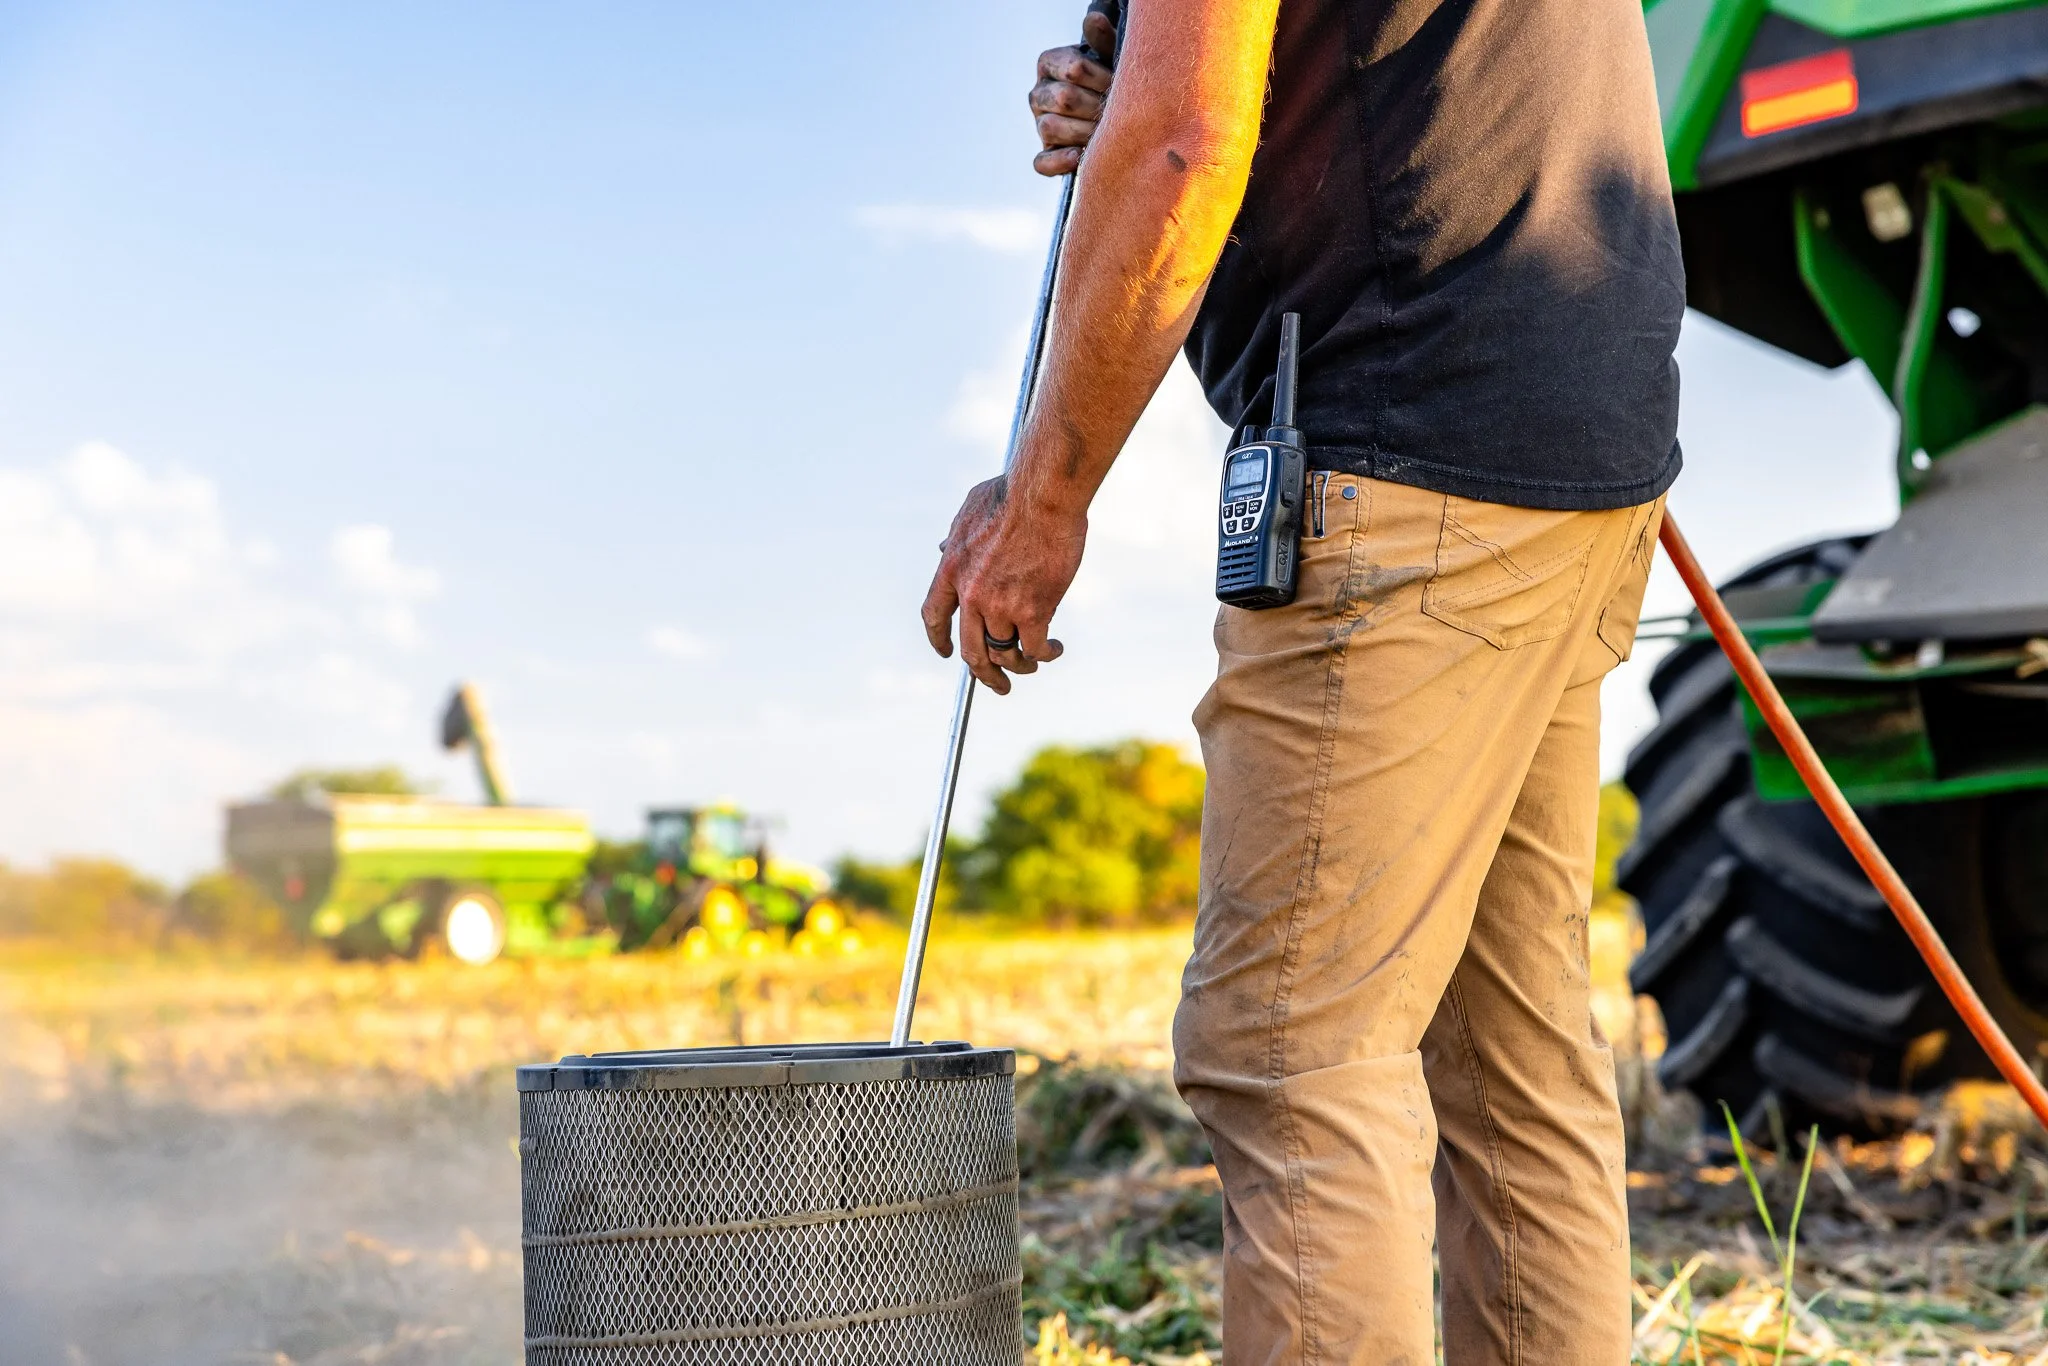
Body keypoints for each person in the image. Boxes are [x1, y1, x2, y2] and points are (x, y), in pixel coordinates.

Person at [921, 0, 1683, 1359]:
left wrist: (1044, 496)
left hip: (1406, 456)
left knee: (1291, 1048)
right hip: (1570, 442)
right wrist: (1163, 117)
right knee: (1511, 1069)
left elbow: (1178, 150)